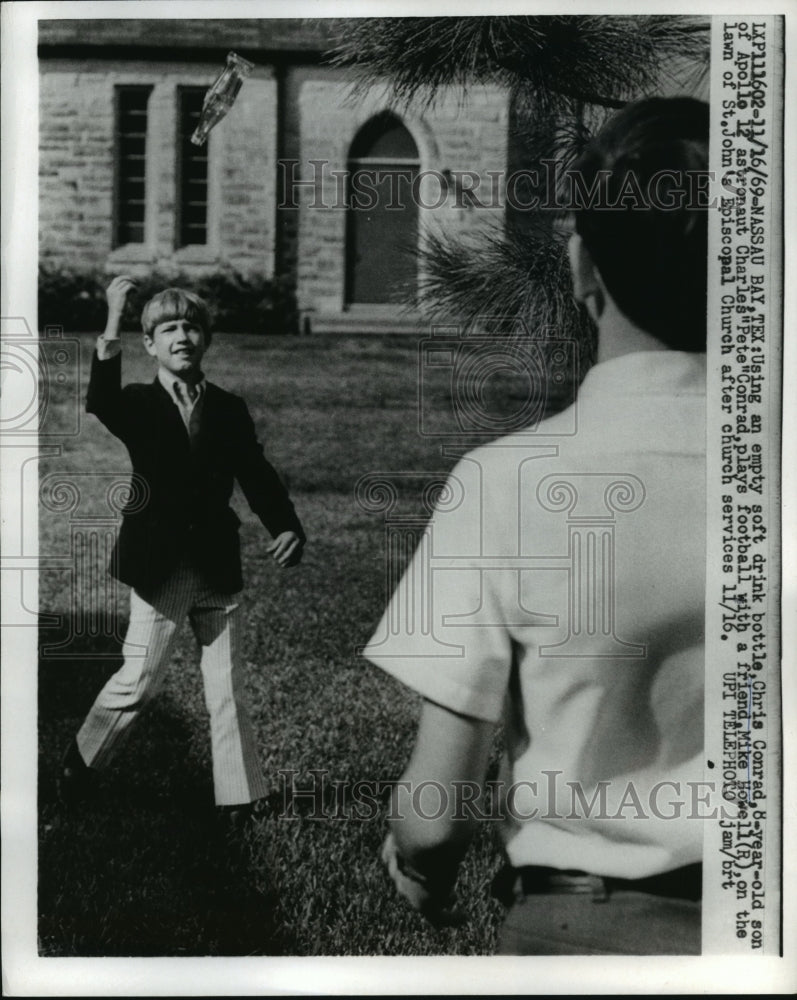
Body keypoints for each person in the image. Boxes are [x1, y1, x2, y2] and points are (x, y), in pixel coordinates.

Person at [364, 96, 709, 954]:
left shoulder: (504, 482)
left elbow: (435, 812)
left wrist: (418, 864)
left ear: (580, 267)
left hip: (585, 930)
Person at [60, 278, 306, 834]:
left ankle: (241, 797)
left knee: (227, 685)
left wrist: (286, 524)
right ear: (150, 344)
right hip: (160, 566)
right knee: (139, 680)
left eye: (191, 327)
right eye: (168, 328)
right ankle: (79, 766)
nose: (182, 336)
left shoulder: (227, 408)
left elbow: (257, 475)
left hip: (217, 563)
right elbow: (99, 400)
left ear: (206, 339)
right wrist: (113, 317)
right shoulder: (139, 405)